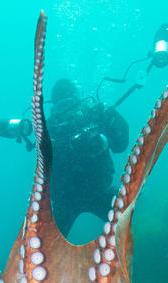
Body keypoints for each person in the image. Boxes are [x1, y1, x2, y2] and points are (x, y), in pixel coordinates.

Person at [42, 79, 130, 236]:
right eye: (62, 106)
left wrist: (112, 117)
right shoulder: (50, 130)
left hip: (100, 191)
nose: (67, 110)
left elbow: (120, 145)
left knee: (127, 228)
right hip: (65, 201)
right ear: (54, 109)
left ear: (78, 101)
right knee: (46, 243)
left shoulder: (94, 116)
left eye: (70, 103)